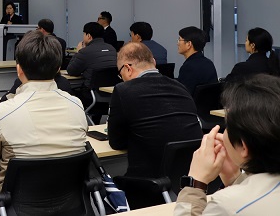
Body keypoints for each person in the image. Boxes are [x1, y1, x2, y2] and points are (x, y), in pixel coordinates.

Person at [0, 30, 87, 214]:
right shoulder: (76, 105)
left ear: (19, 70)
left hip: (16, 207)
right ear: (58, 68)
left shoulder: (3, 111)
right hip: (70, 205)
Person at [109, 42, 202, 208]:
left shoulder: (123, 91)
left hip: (149, 184)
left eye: (120, 73)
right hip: (191, 180)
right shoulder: (181, 87)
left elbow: (116, 142)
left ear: (128, 68)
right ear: (154, 62)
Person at [175, 74, 280, 215]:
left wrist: (195, 183)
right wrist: (236, 180)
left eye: (227, 126)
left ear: (243, 146)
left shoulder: (226, 205)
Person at [0, 19, 71, 101]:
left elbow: (3, 101)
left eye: (37, 28)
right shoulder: (67, 89)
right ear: (58, 66)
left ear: (20, 69)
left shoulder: (21, 83)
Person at [66, 22, 117, 108]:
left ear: (88, 36)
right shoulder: (112, 49)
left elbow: (71, 71)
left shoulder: (85, 52)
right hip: (110, 95)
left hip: (91, 95)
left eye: (84, 34)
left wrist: (78, 52)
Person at [177, 26, 218, 96]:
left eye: (179, 39)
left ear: (189, 44)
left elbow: (183, 96)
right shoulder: (208, 63)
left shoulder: (188, 67)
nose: (177, 43)